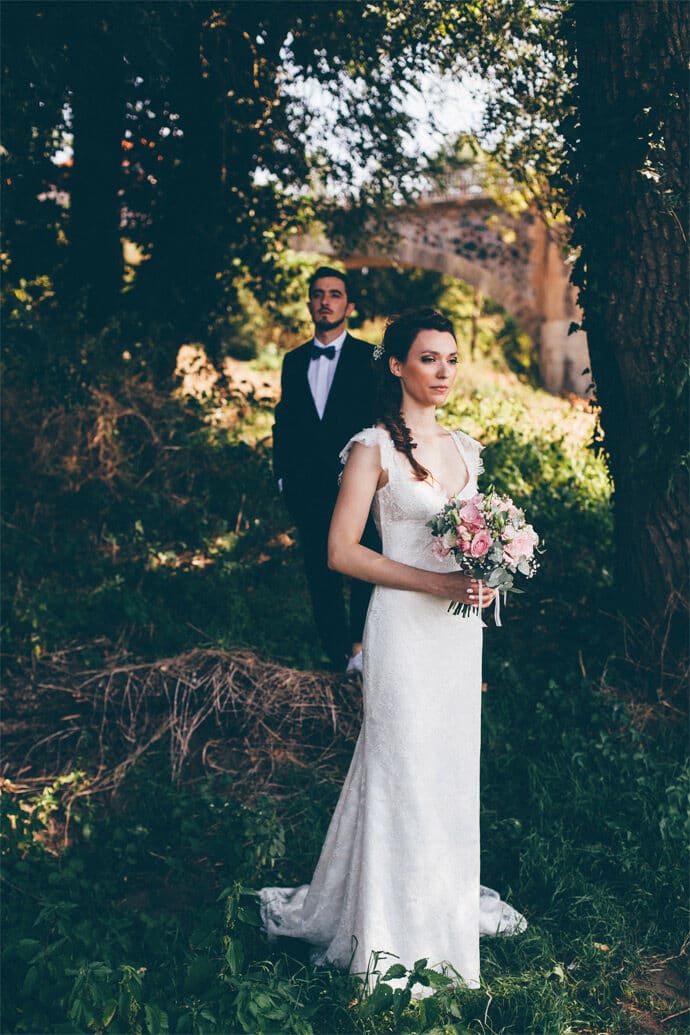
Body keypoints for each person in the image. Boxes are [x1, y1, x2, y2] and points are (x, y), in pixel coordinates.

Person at [259, 308, 526, 994]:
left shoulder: (467, 448)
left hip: (457, 635)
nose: (444, 371)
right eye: (429, 358)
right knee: (399, 763)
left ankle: (439, 909)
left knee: (447, 769)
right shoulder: (371, 447)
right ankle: (385, 928)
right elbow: (340, 551)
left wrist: (488, 573)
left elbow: (468, 540)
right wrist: (436, 582)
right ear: (398, 365)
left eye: (452, 358)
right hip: (402, 629)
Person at [273, 266, 378, 672]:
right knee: (320, 570)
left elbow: (382, 419)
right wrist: (283, 478)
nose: (325, 301)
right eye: (318, 294)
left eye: (335, 294)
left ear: (348, 306)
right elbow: (284, 422)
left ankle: (362, 647)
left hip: (358, 485)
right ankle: (338, 656)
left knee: (366, 562)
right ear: (309, 304)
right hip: (308, 488)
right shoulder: (293, 360)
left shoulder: (370, 357)